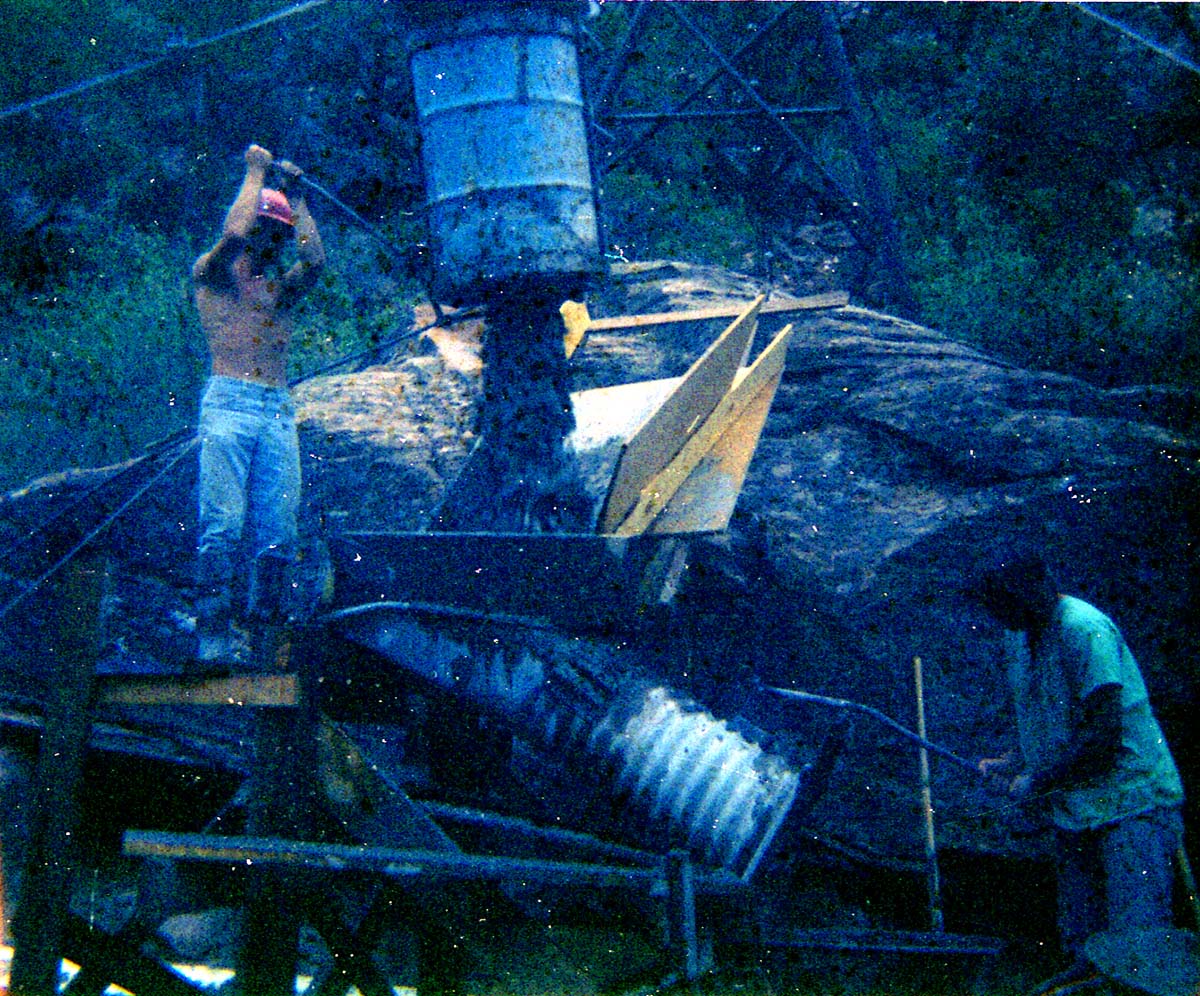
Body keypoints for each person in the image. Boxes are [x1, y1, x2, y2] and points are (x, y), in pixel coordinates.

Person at [976, 553, 1186, 984]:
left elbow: (1103, 735)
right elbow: (1046, 713)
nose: (999, 615)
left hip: (1130, 802)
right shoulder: (1019, 637)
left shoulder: (1084, 630)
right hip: (1076, 807)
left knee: (1137, 943)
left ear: (1034, 589)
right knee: (1082, 937)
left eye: (1005, 603)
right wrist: (1014, 760)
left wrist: (1039, 780)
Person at [191, 143, 325, 665]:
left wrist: (299, 200)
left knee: (278, 532)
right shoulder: (214, 274)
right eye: (268, 231)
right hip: (228, 402)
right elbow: (232, 235)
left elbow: (314, 261)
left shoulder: (280, 289)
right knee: (222, 524)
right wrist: (255, 172)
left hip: (276, 408)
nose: (274, 241)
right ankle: (213, 634)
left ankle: (264, 641)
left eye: (280, 233)